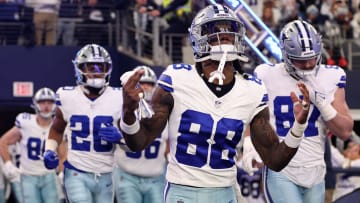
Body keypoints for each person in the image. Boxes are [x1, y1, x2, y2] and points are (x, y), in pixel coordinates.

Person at [120, 4, 311, 203]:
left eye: (230, 30)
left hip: (225, 193)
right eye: (217, 30)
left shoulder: (253, 90)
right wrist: (128, 111)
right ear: (199, 37)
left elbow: (275, 160)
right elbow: (138, 142)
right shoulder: (176, 79)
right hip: (182, 193)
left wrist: (299, 126)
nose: (225, 35)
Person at [249, 20, 354, 203]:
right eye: (300, 60)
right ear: (286, 55)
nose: (307, 65)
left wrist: (321, 102)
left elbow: (345, 131)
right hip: (282, 169)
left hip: (316, 169)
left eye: (312, 58)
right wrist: (251, 146)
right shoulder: (266, 75)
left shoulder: (331, 76)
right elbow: (252, 118)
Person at [42, 43, 123, 203]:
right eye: (91, 67)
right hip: (76, 171)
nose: (97, 72)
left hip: (106, 172)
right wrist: (49, 150)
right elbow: (57, 129)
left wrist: (121, 137)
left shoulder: (119, 97)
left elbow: (132, 141)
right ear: (79, 69)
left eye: (101, 67)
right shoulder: (66, 96)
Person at [114, 65, 168, 203]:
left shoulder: (163, 114)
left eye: (149, 84)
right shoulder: (121, 110)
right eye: (141, 83)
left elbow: (168, 147)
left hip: (156, 177)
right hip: (127, 175)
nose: (145, 87)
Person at [0, 87, 59, 203]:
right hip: (28, 175)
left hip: (50, 175)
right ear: (35, 104)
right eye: (42, 102)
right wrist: (8, 164)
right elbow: (3, 141)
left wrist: (62, 172)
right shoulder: (25, 122)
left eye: (50, 102)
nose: (46, 106)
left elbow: (62, 151)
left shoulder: (58, 126)